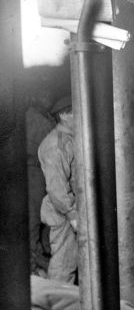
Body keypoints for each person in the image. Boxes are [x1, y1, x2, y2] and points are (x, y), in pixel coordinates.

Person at [38, 95, 77, 282]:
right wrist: (73, 215)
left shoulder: (70, 139)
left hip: (72, 209)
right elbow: (57, 188)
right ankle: (56, 308)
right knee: (64, 265)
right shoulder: (56, 145)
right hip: (63, 213)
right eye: (76, 112)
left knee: (73, 261)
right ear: (64, 115)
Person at [26, 94, 56, 274]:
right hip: (34, 173)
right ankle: (32, 267)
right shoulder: (34, 119)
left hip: (41, 174)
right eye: (44, 94)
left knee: (42, 220)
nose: (48, 98)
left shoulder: (41, 117)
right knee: (34, 221)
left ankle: (39, 261)